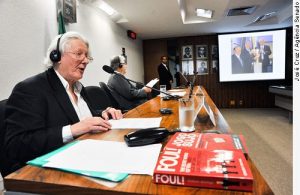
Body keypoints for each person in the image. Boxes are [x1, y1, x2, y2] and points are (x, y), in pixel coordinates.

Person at [3, 32, 123, 176]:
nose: (85, 61)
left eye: (87, 56)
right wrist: (72, 130)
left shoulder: (79, 88)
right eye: (79, 54)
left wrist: (103, 112)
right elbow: (17, 145)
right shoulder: (30, 89)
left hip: (89, 157)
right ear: (56, 56)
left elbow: (79, 116)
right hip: (50, 174)